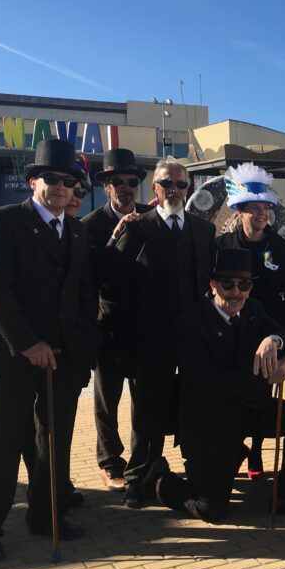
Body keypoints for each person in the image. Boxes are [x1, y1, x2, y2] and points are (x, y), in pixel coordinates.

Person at [0, 139, 100, 563]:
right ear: (33, 181)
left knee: (53, 443)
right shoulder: (3, 222)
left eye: (69, 181)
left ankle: (45, 516)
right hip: (12, 355)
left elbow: (82, 294)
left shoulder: (76, 230)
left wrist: (81, 348)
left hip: (62, 359)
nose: (61, 187)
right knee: (3, 442)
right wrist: (29, 343)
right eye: (52, 179)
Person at [151, 248, 285, 521]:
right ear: (213, 285)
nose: (236, 292)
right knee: (211, 510)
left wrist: (274, 341)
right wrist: (268, 376)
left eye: (244, 285)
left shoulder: (254, 310)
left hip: (249, 409)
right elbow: (211, 383)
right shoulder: (190, 323)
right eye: (228, 285)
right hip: (209, 421)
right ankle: (159, 480)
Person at [114, 160, 215, 507]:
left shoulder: (204, 231)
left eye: (181, 185)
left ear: (189, 189)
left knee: (194, 406)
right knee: (147, 412)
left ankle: (198, 471)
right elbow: (117, 282)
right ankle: (137, 478)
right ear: (154, 189)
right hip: (151, 339)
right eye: (166, 184)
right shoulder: (138, 227)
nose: (174, 190)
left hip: (191, 339)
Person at [217, 162, 285, 480]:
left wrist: (282, 338)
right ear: (240, 210)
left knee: (261, 397)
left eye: (265, 208)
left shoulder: (282, 251)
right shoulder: (222, 246)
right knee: (230, 393)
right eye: (254, 208)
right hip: (229, 333)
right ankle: (233, 447)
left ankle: (254, 451)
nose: (261, 214)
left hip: (267, 335)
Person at [81, 148, 152, 492]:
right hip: (107, 324)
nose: (125, 188)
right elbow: (89, 276)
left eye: (131, 181)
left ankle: (142, 462)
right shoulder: (90, 226)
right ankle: (110, 462)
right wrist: (116, 238)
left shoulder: (152, 218)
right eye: (117, 182)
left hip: (142, 326)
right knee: (106, 402)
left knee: (143, 402)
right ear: (106, 185)